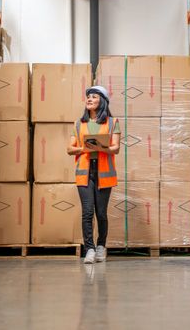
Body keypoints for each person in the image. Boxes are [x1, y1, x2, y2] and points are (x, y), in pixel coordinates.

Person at [67, 85, 120, 264]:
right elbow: (69, 149)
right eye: (88, 97)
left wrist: (101, 148)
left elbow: (116, 148)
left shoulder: (112, 123)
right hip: (85, 173)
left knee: (101, 213)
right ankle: (89, 249)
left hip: (103, 173)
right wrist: (85, 148)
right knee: (87, 213)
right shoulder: (78, 123)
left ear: (102, 101)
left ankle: (100, 247)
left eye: (94, 97)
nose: (89, 99)